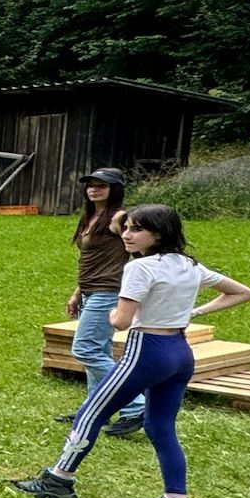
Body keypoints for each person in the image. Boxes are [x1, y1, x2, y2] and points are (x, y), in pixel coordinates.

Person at [11, 204, 250, 498]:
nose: (126, 234)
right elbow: (242, 293)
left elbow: (121, 320)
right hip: (180, 353)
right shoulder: (190, 265)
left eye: (136, 229)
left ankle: (58, 480)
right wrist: (192, 313)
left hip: (147, 351)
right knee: (161, 429)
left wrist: (112, 316)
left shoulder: (139, 269)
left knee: (90, 414)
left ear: (158, 233)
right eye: (125, 228)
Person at [65, 167, 144, 438]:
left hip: (107, 292)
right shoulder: (91, 217)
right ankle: (94, 409)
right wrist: (77, 293)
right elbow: (92, 262)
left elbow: (142, 250)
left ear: (115, 189)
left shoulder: (120, 218)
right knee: (98, 351)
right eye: (91, 184)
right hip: (89, 291)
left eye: (102, 185)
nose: (94, 189)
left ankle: (137, 405)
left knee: (86, 349)